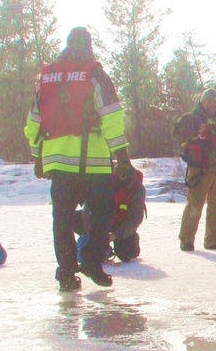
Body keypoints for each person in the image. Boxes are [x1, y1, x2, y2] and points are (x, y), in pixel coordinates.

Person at [24, 26, 131, 290]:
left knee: (61, 217)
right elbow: (111, 117)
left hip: (59, 163)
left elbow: (34, 120)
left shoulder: (47, 77)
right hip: (92, 161)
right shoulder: (94, 74)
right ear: (89, 45)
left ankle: (66, 272)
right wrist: (122, 155)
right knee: (103, 210)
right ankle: (93, 262)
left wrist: (38, 156)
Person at [175, 89, 216, 251]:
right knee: (195, 205)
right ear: (202, 101)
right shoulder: (191, 118)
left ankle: (213, 240)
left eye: (215, 101)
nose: (212, 104)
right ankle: (186, 240)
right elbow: (178, 133)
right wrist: (197, 130)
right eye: (209, 101)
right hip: (200, 170)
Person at [77, 162, 147, 263]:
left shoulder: (138, 189)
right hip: (100, 219)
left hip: (121, 223)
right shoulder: (102, 182)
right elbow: (87, 211)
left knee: (127, 253)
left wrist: (115, 235)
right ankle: (87, 245)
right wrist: (94, 234)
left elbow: (135, 219)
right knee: (72, 220)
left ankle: (128, 242)